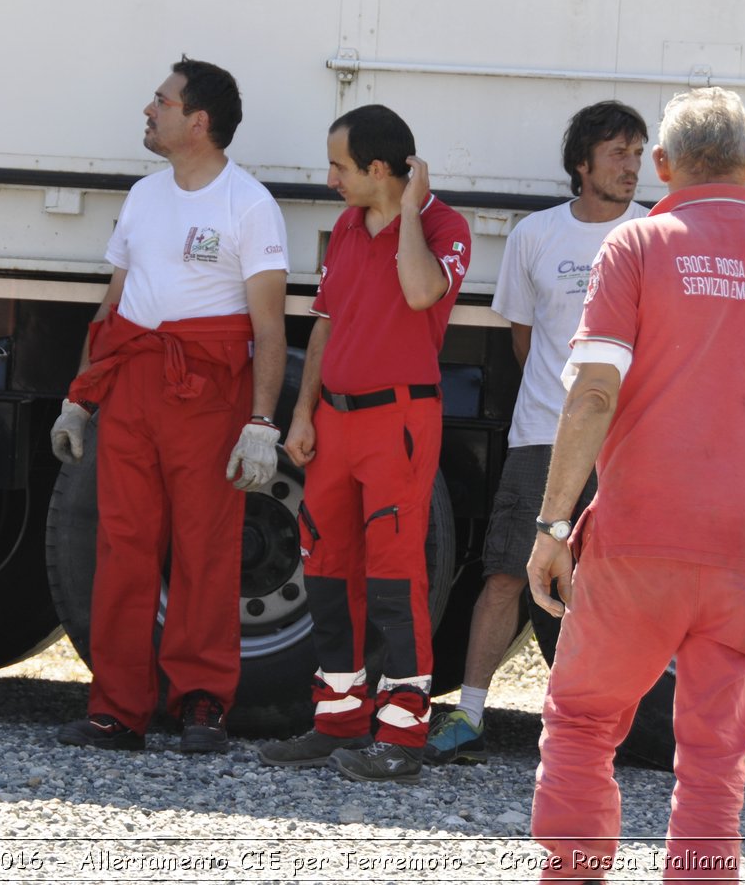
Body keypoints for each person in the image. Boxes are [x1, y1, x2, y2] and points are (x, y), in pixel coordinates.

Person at [526, 88, 745, 881]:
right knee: (713, 762)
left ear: (662, 165)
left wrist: (553, 526)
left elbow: (594, 393)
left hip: (638, 539)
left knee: (583, 723)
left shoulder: (637, 247)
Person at [50, 57, 288, 754]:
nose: (149, 110)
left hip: (209, 396)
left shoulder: (248, 204)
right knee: (123, 546)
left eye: (162, 101)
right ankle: (117, 708)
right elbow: (113, 304)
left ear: (199, 121)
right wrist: (78, 398)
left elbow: (268, 327)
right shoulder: (145, 196)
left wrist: (261, 424)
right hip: (132, 390)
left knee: (207, 550)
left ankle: (202, 703)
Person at [424, 100, 649, 765]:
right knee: (505, 574)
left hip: (626, 443)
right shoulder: (535, 236)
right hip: (541, 438)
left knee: (611, 588)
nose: (632, 166)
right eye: (618, 153)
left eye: (638, 153)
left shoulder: (656, 235)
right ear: (581, 164)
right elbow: (526, 343)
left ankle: (590, 729)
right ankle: (467, 715)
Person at [257, 104, 471, 784]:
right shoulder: (347, 226)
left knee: (392, 575)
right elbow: (324, 323)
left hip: (399, 422)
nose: (331, 179)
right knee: (324, 569)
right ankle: (338, 719)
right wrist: (303, 411)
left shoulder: (443, 226)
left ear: (381, 170)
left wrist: (408, 210)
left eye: (341, 166)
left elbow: (418, 291)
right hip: (337, 422)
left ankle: (402, 734)